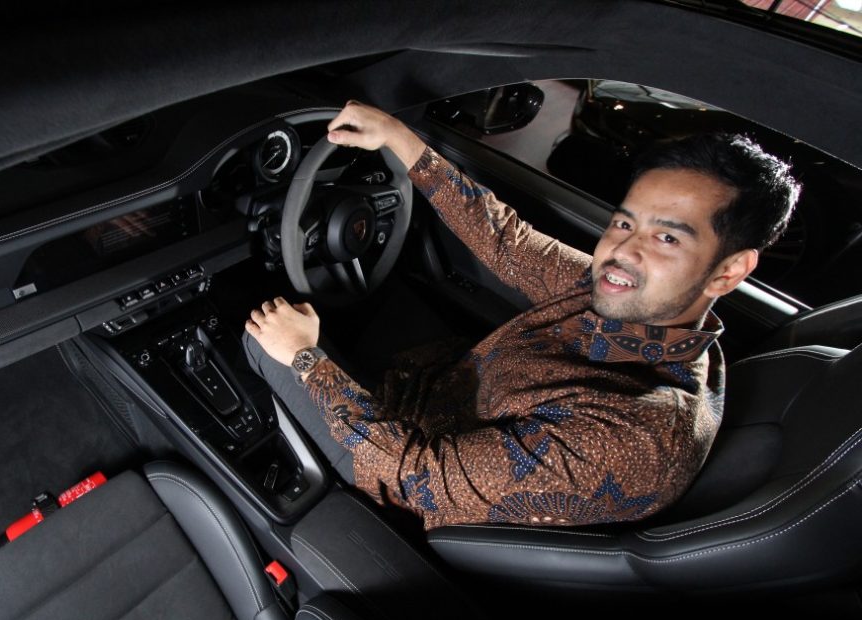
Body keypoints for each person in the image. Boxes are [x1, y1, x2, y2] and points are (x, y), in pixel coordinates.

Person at [243, 101, 800, 529]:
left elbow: (417, 478)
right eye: (624, 223)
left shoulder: (635, 438)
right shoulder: (636, 301)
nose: (621, 253)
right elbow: (508, 244)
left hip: (391, 473)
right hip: (432, 387)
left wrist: (305, 358)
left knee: (252, 336)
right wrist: (397, 137)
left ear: (729, 271)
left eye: (668, 238)